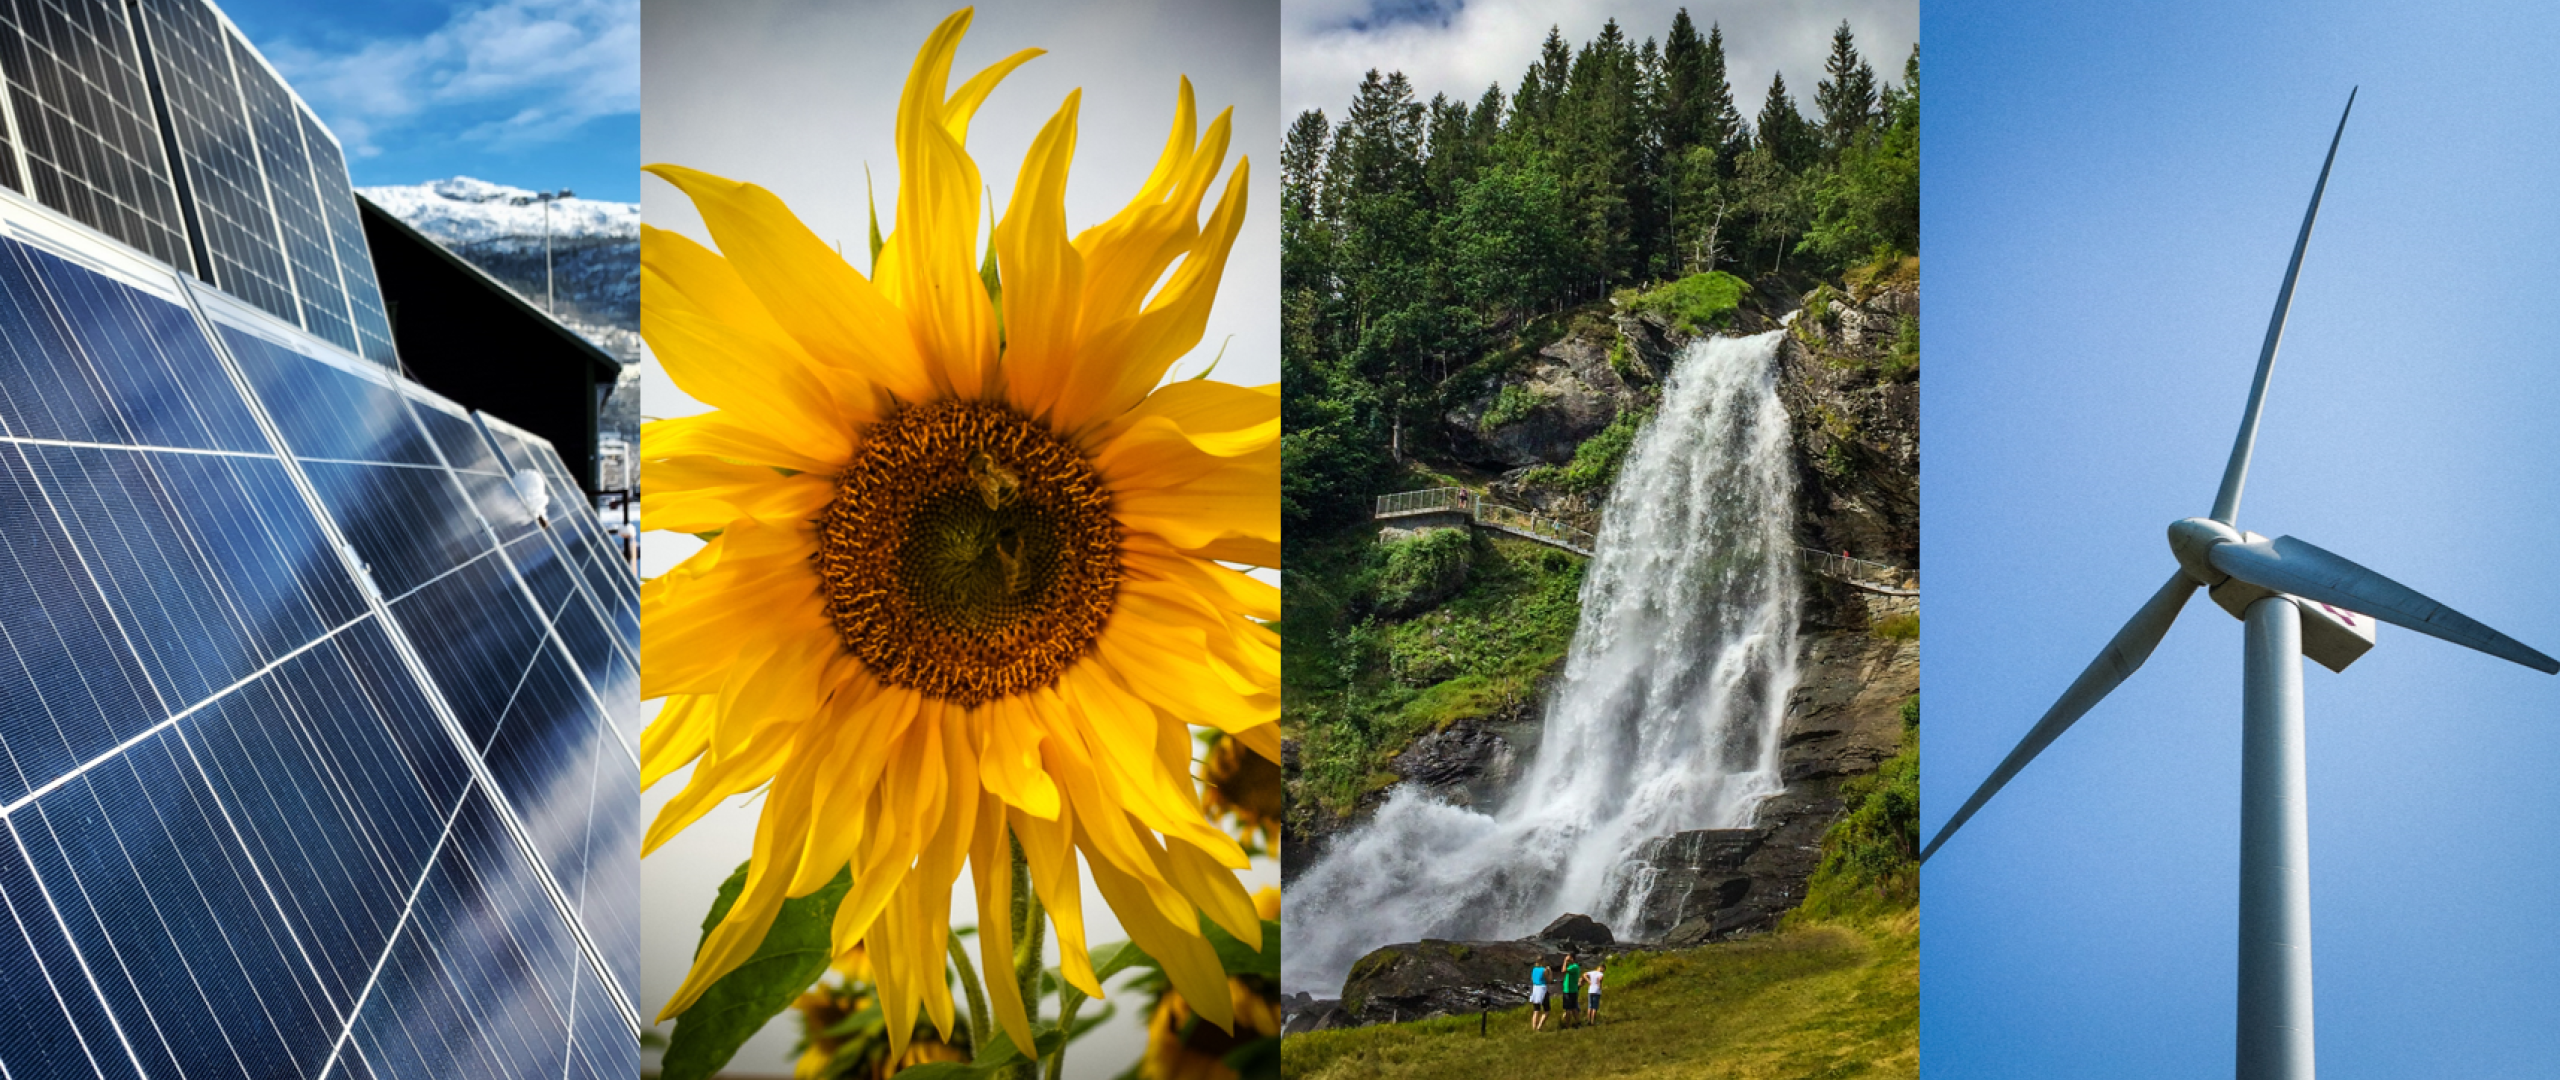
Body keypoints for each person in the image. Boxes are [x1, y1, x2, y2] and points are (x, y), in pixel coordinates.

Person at [1527, 957, 1551, 1031]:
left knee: (1536, 1010)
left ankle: (1534, 1028)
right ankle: (1539, 1026)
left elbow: (1532, 979)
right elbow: (1549, 980)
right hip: (1542, 989)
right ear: (1542, 961)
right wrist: (1550, 972)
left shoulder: (1534, 969)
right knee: (1547, 1010)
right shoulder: (1544, 970)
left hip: (1535, 989)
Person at [1560, 953, 1582, 1027]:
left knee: (1568, 1009)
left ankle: (1567, 1025)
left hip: (1569, 990)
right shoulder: (1573, 966)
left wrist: (1565, 961)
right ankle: (1578, 1022)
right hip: (1573, 990)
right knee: (1573, 1008)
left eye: (1569, 957)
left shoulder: (1574, 967)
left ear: (1572, 958)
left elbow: (1563, 970)